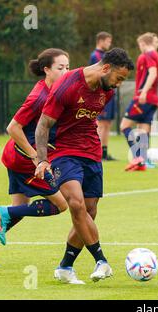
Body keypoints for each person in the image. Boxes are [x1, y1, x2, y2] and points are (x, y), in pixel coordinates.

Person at [34, 48, 134, 284]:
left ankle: (65, 267)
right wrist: (42, 159)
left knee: (89, 211)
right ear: (106, 68)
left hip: (91, 152)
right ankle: (102, 260)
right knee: (76, 204)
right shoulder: (67, 85)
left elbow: (88, 121)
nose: (119, 85)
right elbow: (43, 125)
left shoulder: (106, 91)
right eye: (119, 78)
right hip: (64, 152)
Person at [0, 48, 70, 267]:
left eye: (68, 67)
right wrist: (35, 157)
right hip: (24, 160)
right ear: (46, 70)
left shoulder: (54, 91)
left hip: (15, 157)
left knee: (18, 210)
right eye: (60, 68)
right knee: (61, 205)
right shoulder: (39, 97)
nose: (66, 71)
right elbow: (13, 127)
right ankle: (2, 212)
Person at [121, 32, 158, 171]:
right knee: (143, 130)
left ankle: (138, 157)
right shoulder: (157, 56)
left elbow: (152, 73)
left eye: (140, 45)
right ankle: (144, 161)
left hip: (143, 97)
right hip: (152, 99)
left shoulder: (149, 54)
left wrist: (143, 92)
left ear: (143, 44)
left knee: (124, 126)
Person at [90, 31, 117, 161]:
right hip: (101, 95)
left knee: (107, 124)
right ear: (100, 41)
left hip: (109, 94)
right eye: (107, 41)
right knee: (100, 124)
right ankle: (97, 154)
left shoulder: (105, 55)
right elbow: (98, 74)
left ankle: (105, 153)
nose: (109, 44)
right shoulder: (95, 55)